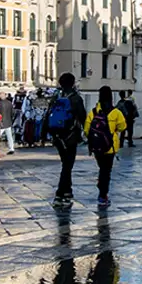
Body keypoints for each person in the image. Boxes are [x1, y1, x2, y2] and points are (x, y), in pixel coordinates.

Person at [46, 74, 87, 207]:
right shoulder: (76, 99)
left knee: (66, 163)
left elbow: (48, 115)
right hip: (71, 136)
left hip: (57, 136)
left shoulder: (56, 97)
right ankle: (60, 194)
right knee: (67, 166)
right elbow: (83, 117)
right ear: (73, 83)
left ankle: (68, 191)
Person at [84, 85, 127, 210]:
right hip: (110, 147)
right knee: (106, 171)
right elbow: (122, 127)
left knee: (102, 168)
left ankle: (101, 186)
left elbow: (87, 130)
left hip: (96, 147)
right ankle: (103, 195)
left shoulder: (93, 112)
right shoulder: (116, 112)